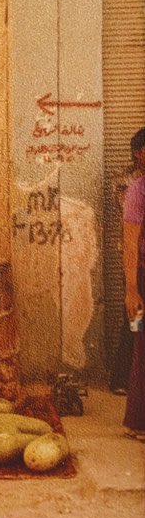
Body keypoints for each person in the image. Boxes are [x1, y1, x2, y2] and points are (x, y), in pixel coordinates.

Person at [112, 127, 145, 393]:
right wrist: (131, 286)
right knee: (135, 325)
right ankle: (122, 379)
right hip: (136, 265)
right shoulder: (130, 183)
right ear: (137, 153)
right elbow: (130, 236)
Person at [122, 171, 145, 440]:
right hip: (141, 280)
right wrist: (131, 289)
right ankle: (138, 421)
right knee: (141, 344)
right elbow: (129, 242)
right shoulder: (138, 191)